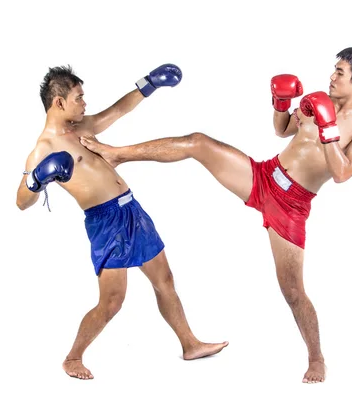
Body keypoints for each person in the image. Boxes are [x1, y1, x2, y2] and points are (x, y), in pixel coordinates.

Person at [79, 46, 352, 384]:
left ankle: (317, 359)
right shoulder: (314, 100)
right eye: (334, 70)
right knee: (198, 142)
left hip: (291, 205)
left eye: (339, 73)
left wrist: (329, 129)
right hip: (265, 176)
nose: (331, 77)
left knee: (293, 292)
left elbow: (341, 173)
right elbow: (282, 130)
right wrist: (280, 103)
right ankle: (119, 155)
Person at [15, 64, 228, 380]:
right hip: (107, 223)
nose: (85, 103)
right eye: (79, 97)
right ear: (58, 102)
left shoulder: (81, 127)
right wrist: (36, 180)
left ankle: (190, 344)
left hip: (133, 212)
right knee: (112, 302)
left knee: (165, 280)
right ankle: (73, 358)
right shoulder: (42, 150)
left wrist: (149, 84)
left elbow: (117, 111)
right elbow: (21, 202)